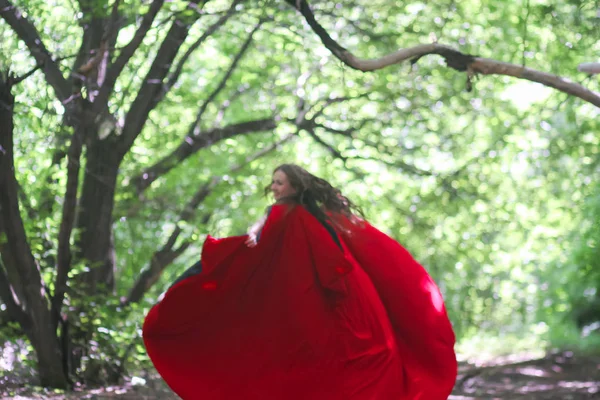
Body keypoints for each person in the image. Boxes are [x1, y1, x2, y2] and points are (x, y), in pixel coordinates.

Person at [143, 164, 457, 400]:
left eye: (279, 182)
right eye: (274, 182)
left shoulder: (313, 217)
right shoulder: (279, 217)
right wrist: (199, 274)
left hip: (341, 299)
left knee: (355, 361)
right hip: (312, 300)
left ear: (294, 183)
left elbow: (334, 255)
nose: (274, 186)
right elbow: (253, 239)